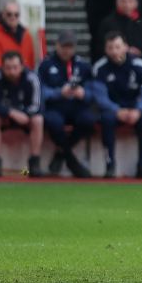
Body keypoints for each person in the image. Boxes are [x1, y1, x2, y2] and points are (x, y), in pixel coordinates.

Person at [90, 32, 142, 178]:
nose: (114, 51)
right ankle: (110, 165)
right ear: (105, 49)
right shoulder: (100, 68)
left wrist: (138, 110)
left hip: (134, 109)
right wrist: (116, 110)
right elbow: (100, 96)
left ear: (125, 47)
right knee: (106, 119)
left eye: (117, 47)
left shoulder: (140, 65)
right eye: (110, 48)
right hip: (112, 110)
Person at [35, 30, 96, 178]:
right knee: (53, 121)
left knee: (89, 120)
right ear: (57, 45)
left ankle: (61, 153)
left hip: (76, 106)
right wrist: (59, 92)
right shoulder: (46, 65)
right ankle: (72, 161)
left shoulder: (83, 66)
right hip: (55, 106)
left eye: (70, 47)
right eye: (63, 46)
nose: (66, 50)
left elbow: (93, 90)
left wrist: (83, 93)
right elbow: (39, 89)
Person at [0, 50, 43, 177]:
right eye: (8, 68)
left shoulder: (31, 78)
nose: (12, 72)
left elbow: (37, 105)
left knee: (38, 120)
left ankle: (35, 162)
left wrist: (25, 114)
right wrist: (11, 113)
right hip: (4, 115)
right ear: (2, 67)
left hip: (26, 117)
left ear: (22, 66)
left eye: (15, 67)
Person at [0, 0, 37, 87]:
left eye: (16, 14)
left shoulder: (26, 36)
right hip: (0, 87)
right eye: (9, 14)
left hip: (23, 87)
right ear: (2, 14)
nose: (13, 17)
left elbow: (31, 64)